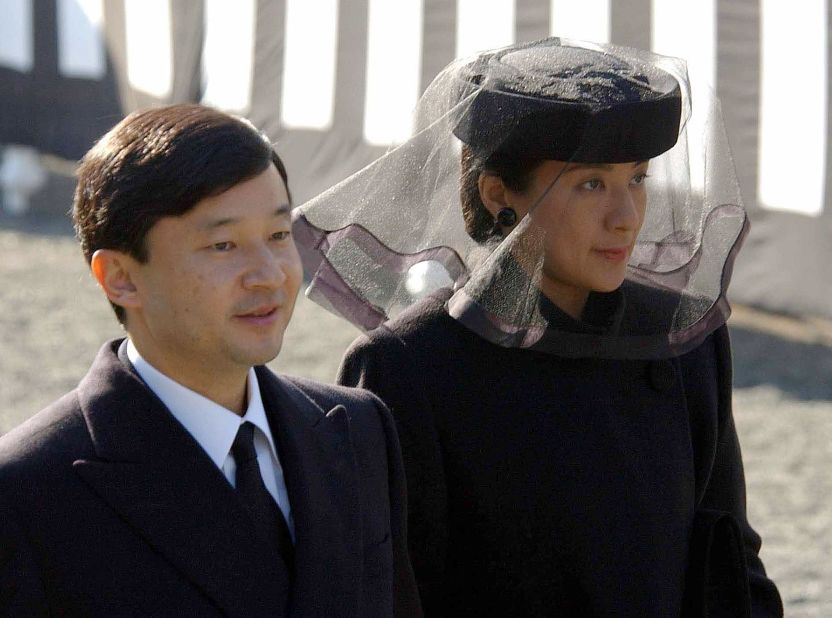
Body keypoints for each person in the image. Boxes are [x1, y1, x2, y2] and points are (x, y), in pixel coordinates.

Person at [293, 39, 783, 616]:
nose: (626, 216)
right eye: (591, 184)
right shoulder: (410, 366)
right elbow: (390, 592)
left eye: (638, 179)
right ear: (498, 192)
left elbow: (729, 558)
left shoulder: (681, 341)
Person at [0, 104, 422, 617]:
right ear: (120, 277)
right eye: (223, 245)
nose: (268, 274)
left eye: (278, 235)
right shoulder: (29, 490)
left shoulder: (357, 429)